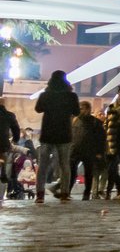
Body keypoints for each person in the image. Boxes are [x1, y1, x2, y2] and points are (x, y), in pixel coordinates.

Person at [33, 70, 81, 203]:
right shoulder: (71, 96)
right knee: (64, 164)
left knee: (43, 165)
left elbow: (38, 109)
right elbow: (76, 111)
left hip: (47, 133)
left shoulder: (45, 95)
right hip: (64, 133)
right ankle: (65, 192)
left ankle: (40, 194)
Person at [73, 100, 106, 200]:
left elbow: (101, 138)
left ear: (87, 109)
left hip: (89, 151)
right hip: (76, 150)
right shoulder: (76, 120)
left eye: (82, 108)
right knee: (72, 170)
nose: (80, 110)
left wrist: (99, 152)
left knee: (89, 173)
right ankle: (66, 192)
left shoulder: (95, 122)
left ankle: (87, 193)